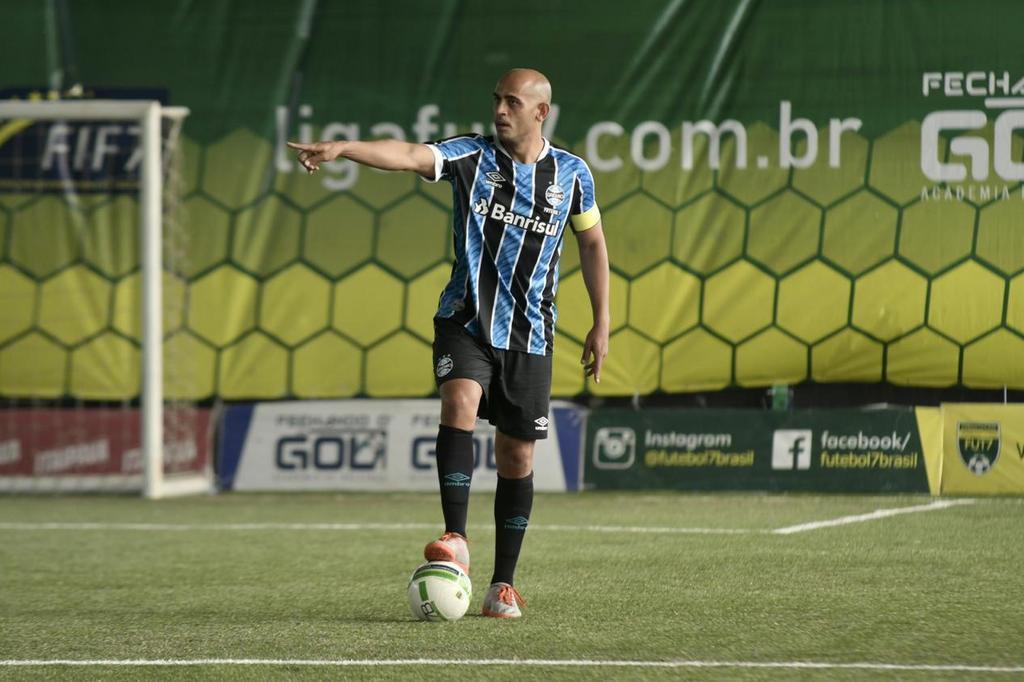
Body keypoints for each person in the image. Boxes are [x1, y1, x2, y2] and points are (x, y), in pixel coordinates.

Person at [288, 68, 609, 619]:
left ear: (540, 112)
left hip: (531, 334)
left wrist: (602, 322)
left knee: (516, 455)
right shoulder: (471, 156)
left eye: (513, 102)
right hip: (464, 320)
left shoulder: (573, 175)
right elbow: (409, 155)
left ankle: (501, 585)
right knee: (459, 401)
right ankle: (455, 538)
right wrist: (345, 148)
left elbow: (593, 244)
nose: (500, 110)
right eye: (497, 100)